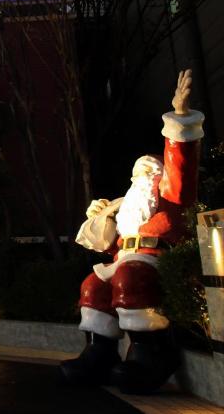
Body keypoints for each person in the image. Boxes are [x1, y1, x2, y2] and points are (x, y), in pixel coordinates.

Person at [60, 70, 203, 394]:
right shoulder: (127, 205)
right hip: (126, 258)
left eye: (150, 170)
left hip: (154, 260)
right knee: (94, 284)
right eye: (139, 172)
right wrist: (103, 218)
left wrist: (180, 118)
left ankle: (151, 351)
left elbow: (181, 162)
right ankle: (100, 352)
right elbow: (105, 244)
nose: (144, 174)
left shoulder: (170, 195)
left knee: (131, 278)